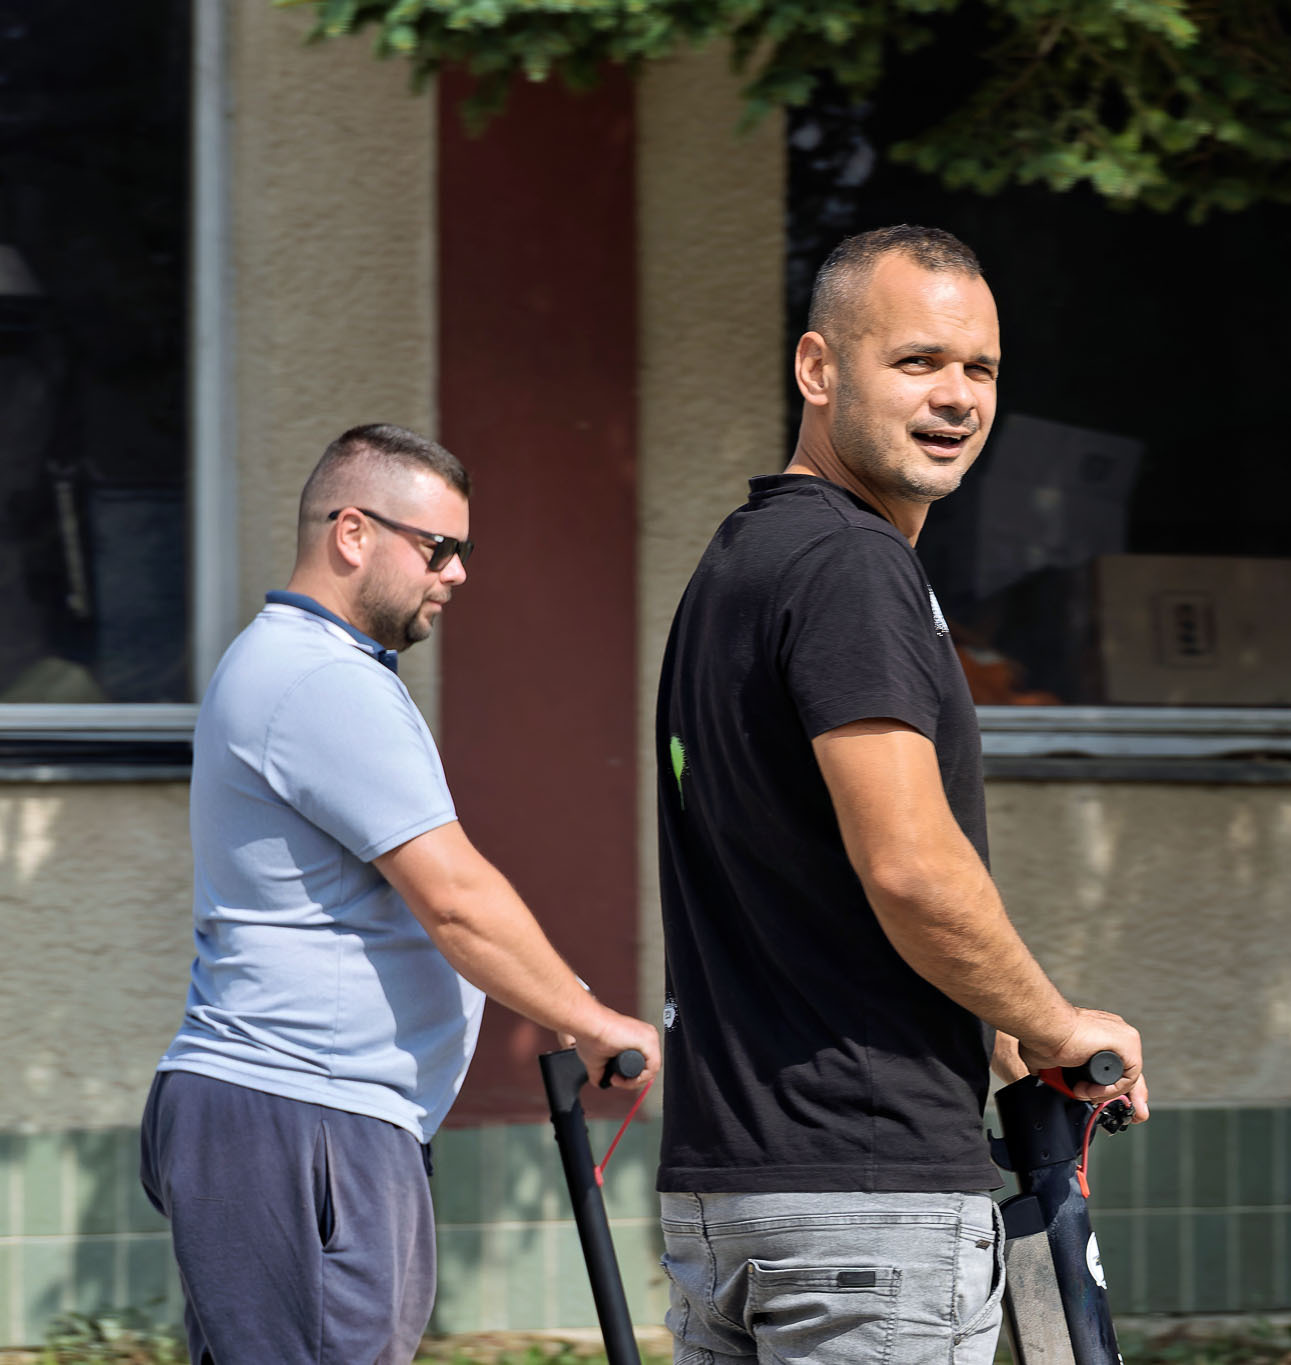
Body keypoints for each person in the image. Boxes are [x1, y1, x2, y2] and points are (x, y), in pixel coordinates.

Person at [653, 225, 1147, 1364]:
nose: (957, 396)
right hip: (865, 1202)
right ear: (818, 368)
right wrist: (1054, 1025)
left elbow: (809, 875)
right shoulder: (852, 565)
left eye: (980, 369)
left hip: (732, 1197)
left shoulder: (742, 561)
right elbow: (912, 868)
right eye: (917, 361)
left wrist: (1000, 1025)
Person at [141, 424, 662, 1365]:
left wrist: (556, 993)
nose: (458, 572)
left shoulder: (301, 666)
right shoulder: (320, 680)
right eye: (439, 546)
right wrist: (589, 1020)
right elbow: (453, 897)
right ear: (352, 533)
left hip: (297, 1114)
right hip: (304, 1112)